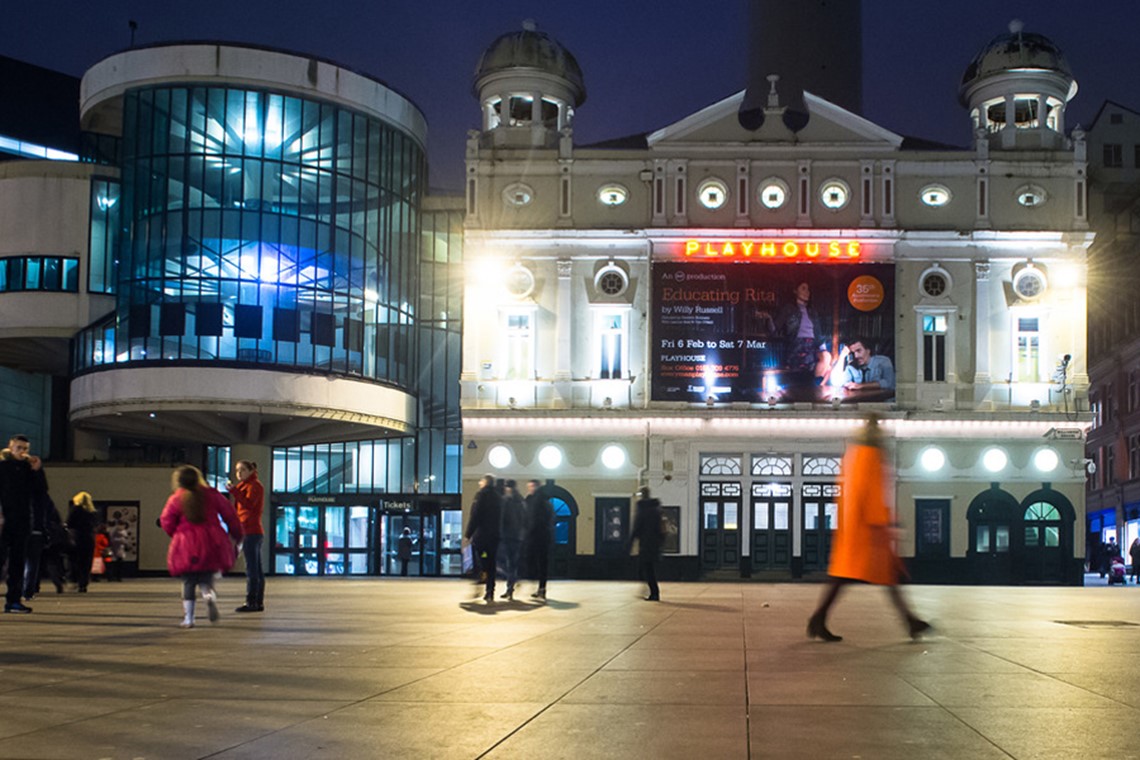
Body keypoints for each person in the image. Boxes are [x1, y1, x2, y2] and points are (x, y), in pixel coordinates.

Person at [807, 414, 930, 642]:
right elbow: (871, 492)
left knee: (850, 577)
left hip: (857, 528)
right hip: (869, 532)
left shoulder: (854, 454)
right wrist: (885, 521)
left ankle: (819, 618)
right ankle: (910, 621)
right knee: (878, 578)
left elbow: (851, 492)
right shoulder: (871, 456)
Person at [160, 465, 242, 628]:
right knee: (206, 579)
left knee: (188, 582)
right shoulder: (213, 495)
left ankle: (189, 618)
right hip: (211, 540)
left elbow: (166, 520)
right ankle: (209, 597)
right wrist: (237, 535)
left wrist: (176, 534)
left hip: (186, 542)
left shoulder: (176, 498)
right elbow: (230, 515)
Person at [0, 435, 47, 613]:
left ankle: (13, 600)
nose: (22, 451)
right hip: (4, 520)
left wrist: (37, 471)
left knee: (18, 563)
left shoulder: (29, 469)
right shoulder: (3, 467)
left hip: (22, 521)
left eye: (25, 448)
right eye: (19, 448)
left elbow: (41, 492)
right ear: (10, 447)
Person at [227, 460, 266, 612]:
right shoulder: (244, 486)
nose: (239, 473)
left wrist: (234, 492)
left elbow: (249, 505)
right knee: (256, 569)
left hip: (251, 531)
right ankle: (257, 602)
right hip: (250, 531)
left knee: (252, 569)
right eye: (237, 470)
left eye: (242, 470)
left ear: (251, 471)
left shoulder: (254, 486)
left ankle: (252, 602)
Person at [776, 281, 832, 384]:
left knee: (826, 356)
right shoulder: (789, 309)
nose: (807, 292)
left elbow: (818, 333)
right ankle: (809, 384)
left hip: (812, 345)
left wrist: (823, 349)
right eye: (803, 288)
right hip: (796, 344)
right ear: (795, 291)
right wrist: (767, 319)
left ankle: (817, 385)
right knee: (804, 368)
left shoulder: (812, 311)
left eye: (808, 289)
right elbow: (776, 327)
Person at [464, 474, 501, 602]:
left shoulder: (481, 495)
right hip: (494, 537)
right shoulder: (498, 497)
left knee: (482, 558)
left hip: (482, 536)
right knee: (492, 562)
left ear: (486, 482)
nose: (479, 483)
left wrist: (468, 534)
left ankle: (483, 574)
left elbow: (476, 516)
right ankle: (490, 590)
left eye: (481, 481)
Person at [629, 486, 664, 601]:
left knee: (646, 570)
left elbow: (637, 527)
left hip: (645, 544)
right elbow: (660, 529)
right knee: (649, 569)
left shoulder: (642, 509)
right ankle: (654, 592)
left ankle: (653, 593)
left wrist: (630, 543)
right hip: (654, 544)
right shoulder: (656, 509)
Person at [523, 479, 554, 601]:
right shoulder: (544, 501)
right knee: (541, 563)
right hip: (542, 536)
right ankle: (541, 588)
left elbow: (532, 519)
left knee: (538, 562)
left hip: (536, 536)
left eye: (531, 486)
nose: (529, 489)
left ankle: (541, 588)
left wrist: (527, 533)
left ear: (536, 487)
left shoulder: (537, 502)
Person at [498, 479, 526, 600]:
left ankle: (511, 582)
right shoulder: (521, 501)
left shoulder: (506, 501)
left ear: (508, 488)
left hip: (507, 536)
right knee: (512, 563)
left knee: (501, 561)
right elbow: (524, 519)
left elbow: (502, 518)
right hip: (518, 537)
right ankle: (511, 586)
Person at [67, 491, 99, 592]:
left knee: (74, 560)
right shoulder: (92, 511)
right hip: (89, 538)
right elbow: (96, 525)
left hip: (77, 538)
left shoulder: (75, 509)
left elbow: (69, 523)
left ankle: (73, 580)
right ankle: (83, 583)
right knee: (86, 562)